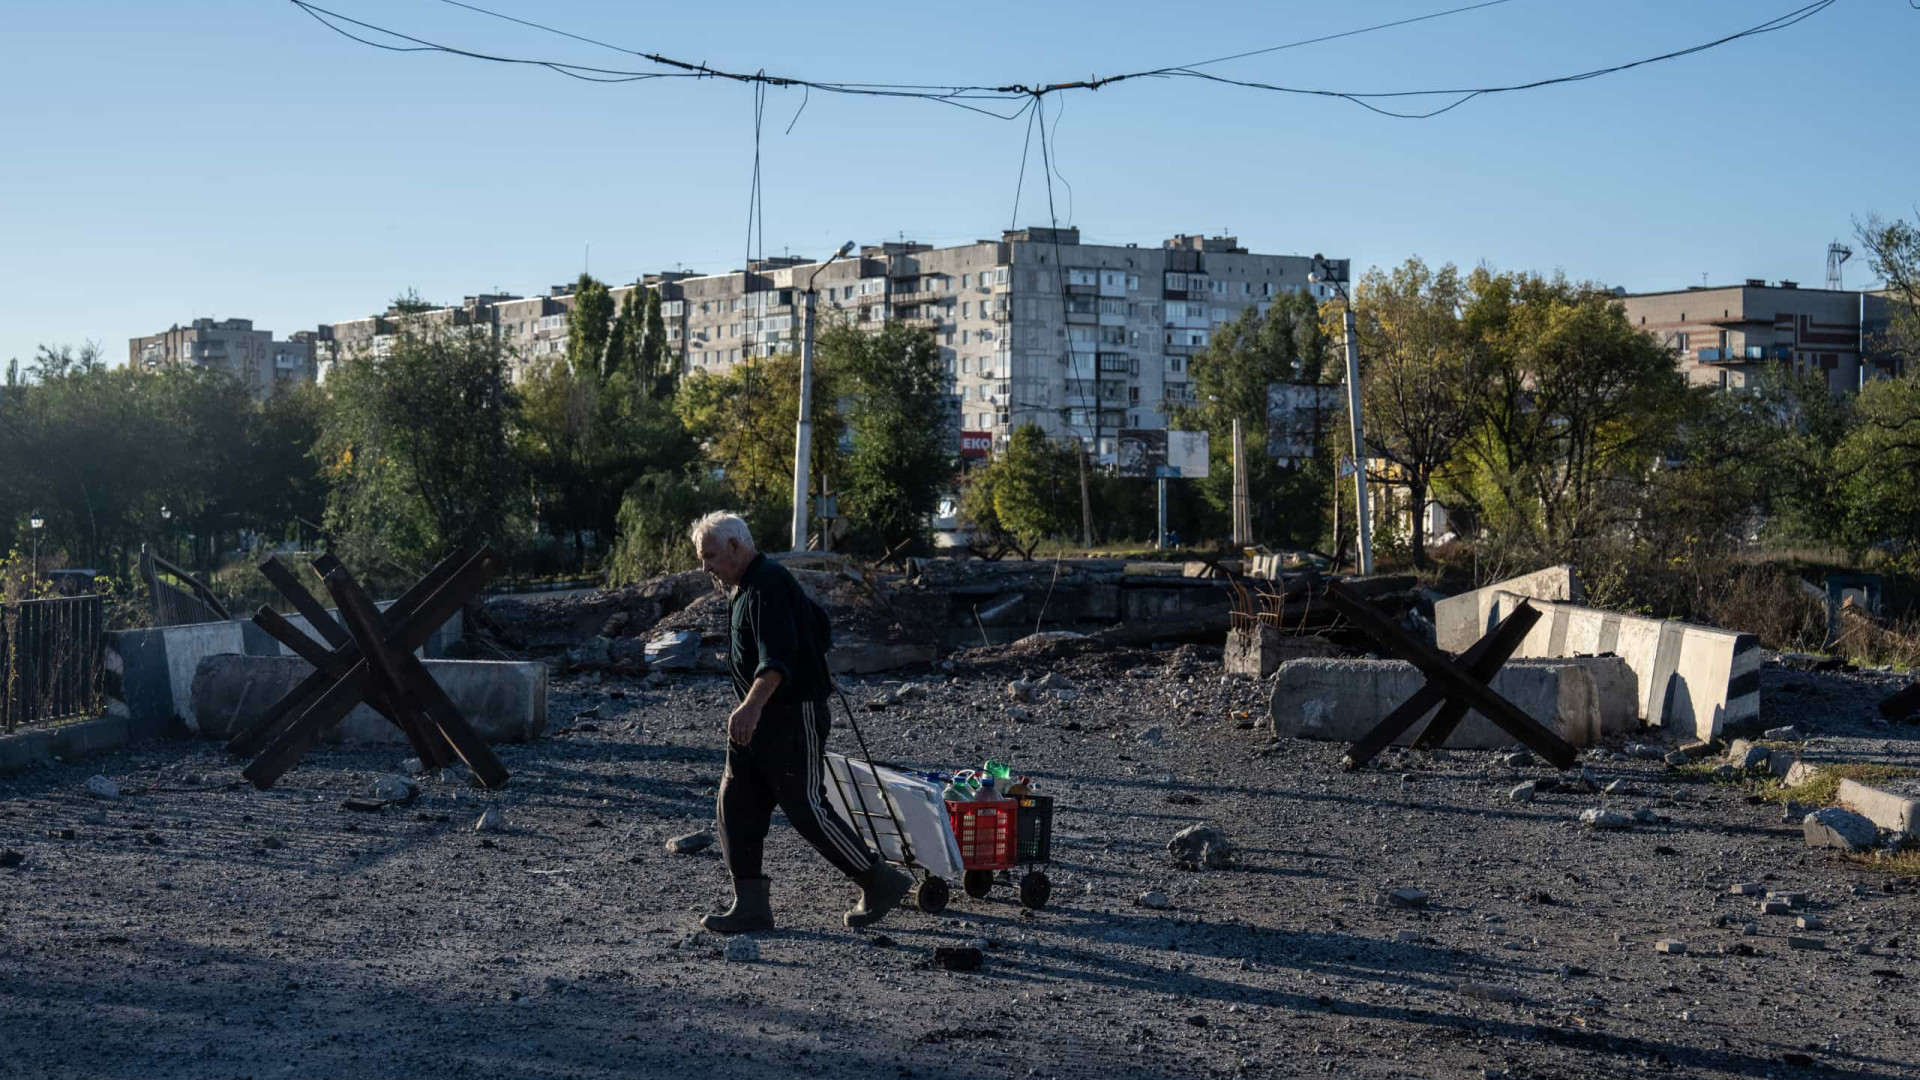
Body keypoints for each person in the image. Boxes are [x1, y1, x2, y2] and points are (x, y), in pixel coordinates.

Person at [688, 511, 912, 934]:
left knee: (805, 805)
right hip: (757, 717)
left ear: (735, 547)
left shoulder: (768, 582)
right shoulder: (747, 585)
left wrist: (751, 707)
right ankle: (751, 904)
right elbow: (818, 624)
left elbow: (778, 660)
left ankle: (879, 879)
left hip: (790, 713)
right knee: (735, 803)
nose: (707, 567)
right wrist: (814, 658)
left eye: (711, 556)